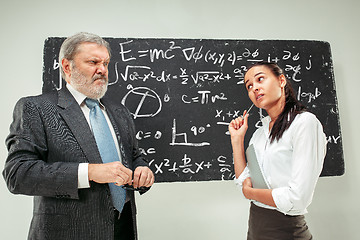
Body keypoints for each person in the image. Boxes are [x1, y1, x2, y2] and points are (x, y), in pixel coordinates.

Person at [2, 32, 154, 240]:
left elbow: (134, 156)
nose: (102, 70)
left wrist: (141, 169)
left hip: (123, 228)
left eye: (106, 63)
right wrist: (89, 172)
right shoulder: (35, 108)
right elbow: (17, 174)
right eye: (93, 62)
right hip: (68, 232)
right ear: (67, 66)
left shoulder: (119, 111)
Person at [229, 62, 327, 239]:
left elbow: (297, 198)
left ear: (281, 80)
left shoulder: (304, 123)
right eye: (249, 86)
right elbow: (244, 180)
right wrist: (237, 140)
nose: (255, 88)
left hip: (286, 230)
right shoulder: (260, 134)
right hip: (255, 228)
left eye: (260, 79)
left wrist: (251, 194)